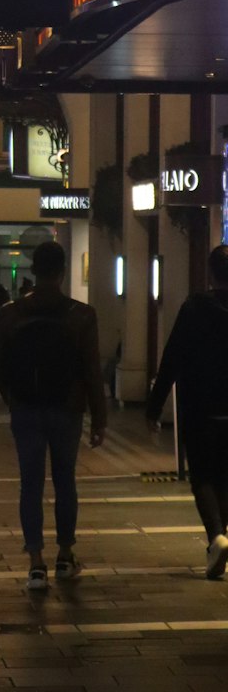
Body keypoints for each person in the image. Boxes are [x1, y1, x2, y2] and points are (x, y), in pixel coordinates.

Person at [0, 240, 107, 591]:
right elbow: (91, 370)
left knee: (30, 483)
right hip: (67, 408)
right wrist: (99, 417)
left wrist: (14, 398)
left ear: (33, 269)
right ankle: (65, 554)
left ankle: (36, 563)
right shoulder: (81, 315)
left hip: (26, 407)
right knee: (64, 480)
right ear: (61, 272)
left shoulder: (10, 313)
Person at [146, 245, 228, 580]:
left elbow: (173, 356)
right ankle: (220, 537)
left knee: (204, 476)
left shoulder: (194, 308)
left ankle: (216, 537)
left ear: (210, 273)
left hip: (200, 407)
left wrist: (154, 405)